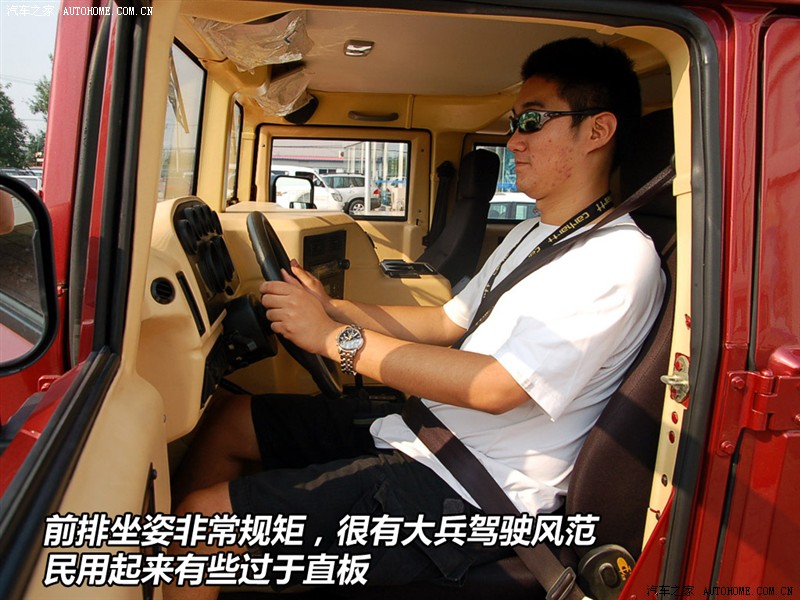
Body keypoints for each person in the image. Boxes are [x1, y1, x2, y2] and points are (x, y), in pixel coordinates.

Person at [166, 37, 665, 598]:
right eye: (513, 122)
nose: (513, 140)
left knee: (197, 522)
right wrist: (334, 307)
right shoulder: (536, 231)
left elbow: (495, 386)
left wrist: (334, 338)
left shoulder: (616, 258)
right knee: (231, 419)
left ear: (597, 130)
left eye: (532, 120)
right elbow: (449, 321)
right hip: (426, 432)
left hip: (474, 492)